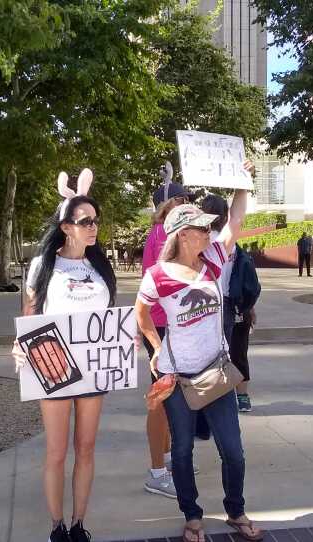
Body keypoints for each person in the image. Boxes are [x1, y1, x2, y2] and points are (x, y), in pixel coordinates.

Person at [135, 161, 264, 542]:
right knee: (185, 453)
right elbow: (141, 317)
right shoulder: (157, 276)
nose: (211, 231)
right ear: (183, 235)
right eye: (203, 228)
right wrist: (157, 350)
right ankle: (193, 517)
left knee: (234, 452)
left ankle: (235, 511)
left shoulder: (214, 262)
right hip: (178, 378)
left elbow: (236, 221)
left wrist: (243, 182)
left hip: (216, 373)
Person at [12, 169, 116, 542]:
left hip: (94, 371)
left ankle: (78, 523)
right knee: (56, 451)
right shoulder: (44, 265)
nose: (93, 227)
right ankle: (56, 525)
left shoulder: (101, 266)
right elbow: (31, 314)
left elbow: (108, 317)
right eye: (85, 221)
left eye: (96, 221)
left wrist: (122, 341)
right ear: (66, 226)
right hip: (53, 366)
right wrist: (18, 345)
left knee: (85, 448)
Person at [140, 163, 192, 499]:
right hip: (165, 324)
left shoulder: (159, 233)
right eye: (186, 201)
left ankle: (168, 460)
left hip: (164, 323)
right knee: (161, 398)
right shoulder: (167, 235)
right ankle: (157, 471)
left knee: (168, 396)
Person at [200, 194, 258, 413]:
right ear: (225, 215)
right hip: (235, 304)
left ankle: (213, 399)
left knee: (210, 356)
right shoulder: (231, 244)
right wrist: (249, 307)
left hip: (208, 304)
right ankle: (241, 397)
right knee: (238, 352)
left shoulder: (202, 243)